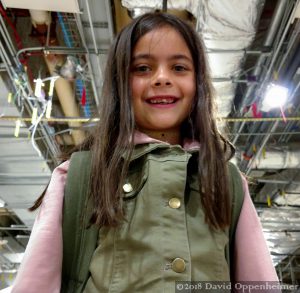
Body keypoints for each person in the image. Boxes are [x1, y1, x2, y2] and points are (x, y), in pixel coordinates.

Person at [12, 12, 279, 293]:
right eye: (142, 68)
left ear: (198, 83)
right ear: (120, 83)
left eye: (179, 67)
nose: (162, 78)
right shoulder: (79, 176)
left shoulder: (227, 182)